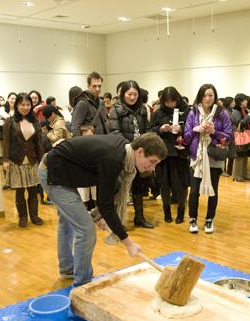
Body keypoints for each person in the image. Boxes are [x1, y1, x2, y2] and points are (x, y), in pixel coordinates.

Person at [39, 132, 166, 286]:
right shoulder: (113, 158)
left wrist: (102, 215)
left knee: (69, 223)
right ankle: (83, 284)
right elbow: (106, 205)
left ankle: (67, 268)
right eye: (152, 161)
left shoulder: (123, 151)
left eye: (156, 164)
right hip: (53, 173)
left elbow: (107, 189)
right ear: (139, 152)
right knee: (86, 230)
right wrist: (128, 242)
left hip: (62, 171)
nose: (152, 167)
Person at [184, 83, 232, 233]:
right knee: (194, 192)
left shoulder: (222, 113)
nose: (207, 98)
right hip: (197, 158)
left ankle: (209, 220)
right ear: (200, 96)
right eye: (204, 95)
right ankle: (193, 220)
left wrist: (214, 132)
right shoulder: (193, 113)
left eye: (210, 95)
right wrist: (194, 130)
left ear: (215, 97)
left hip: (214, 157)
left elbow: (229, 137)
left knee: (213, 191)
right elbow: (185, 137)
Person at [109, 80, 154, 228]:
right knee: (121, 188)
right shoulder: (116, 109)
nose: (132, 97)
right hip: (123, 153)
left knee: (139, 187)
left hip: (140, 155)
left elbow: (147, 129)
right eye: (129, 94)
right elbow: (115, 132)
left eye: (135, 94)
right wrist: (130, 149)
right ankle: (118, 221)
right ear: (123, 94)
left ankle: (139, 217)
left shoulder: (143, 109)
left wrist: (145, 147)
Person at [149, 86, 191, 224]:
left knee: (181, 184)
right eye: (167, 102)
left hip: (181, 154)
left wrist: (182, 129)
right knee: (164, 184)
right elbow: (150, 129)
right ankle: (166, 210)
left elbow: (193, 129)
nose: (170, 104)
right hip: (163, 154)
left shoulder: (187, 111)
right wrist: (161, 129)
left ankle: (181, 211)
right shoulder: (159, 113)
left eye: (172, 101)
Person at [3, 93, 45, 228]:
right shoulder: (10, 122)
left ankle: (34, 215)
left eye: (28, 105)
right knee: (20, 191)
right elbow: (6, 142)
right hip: (16, 161)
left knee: (33, 190)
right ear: (17, 106)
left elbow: (38, 143)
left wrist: (42, 160)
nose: (25, 107)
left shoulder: (35, 122)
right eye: (22, 105)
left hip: (32, 161)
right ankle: (23, 217)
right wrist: (5, 160)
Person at [71, 71, 108, 136]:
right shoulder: (82, 103)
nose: (97, 89)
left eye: (99, 86)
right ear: (88, 86)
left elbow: (103, 125)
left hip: (101, 141)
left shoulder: (101, 103)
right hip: (88, 142)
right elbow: (75, 128)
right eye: (94, 86)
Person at [230, 93, 250, 182]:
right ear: (241, 102)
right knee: (239, 156)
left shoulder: (243, 110)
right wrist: (248, 117)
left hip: (244, 135)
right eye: (245, 100)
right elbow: (239, 122)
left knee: (244, 155)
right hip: (239, 136)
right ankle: (236, 175)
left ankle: (243, 174)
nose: (246, 101)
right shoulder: (235, 111)